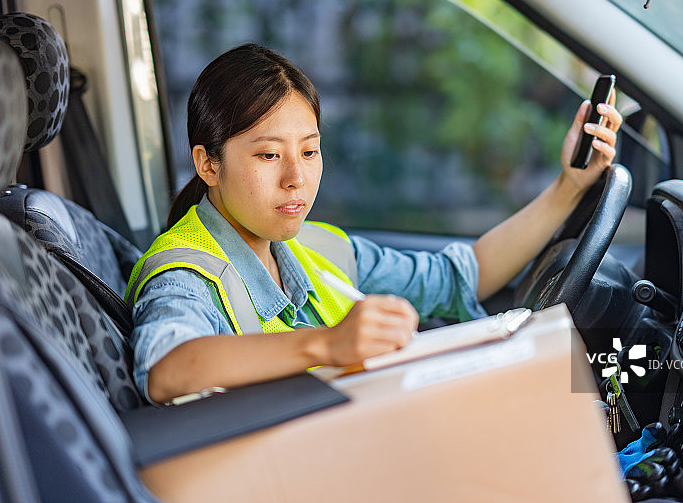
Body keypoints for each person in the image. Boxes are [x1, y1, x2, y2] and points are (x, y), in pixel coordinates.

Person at [127, 44, 622, 404]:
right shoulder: (185, 273)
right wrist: (328, 344)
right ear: (208, 164)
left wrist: (568, 188)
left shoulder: (317, 249)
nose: (296, 177)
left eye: (309, 152)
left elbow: (458, 277)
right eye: (268, 155)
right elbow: (165, 366)